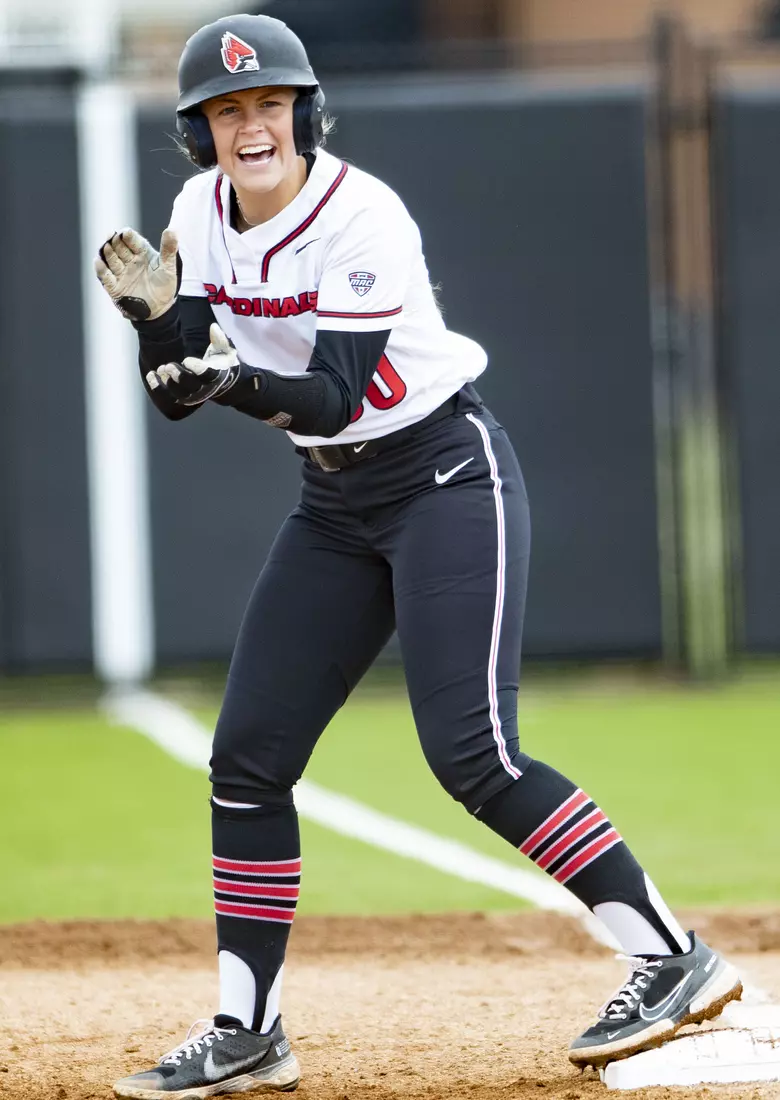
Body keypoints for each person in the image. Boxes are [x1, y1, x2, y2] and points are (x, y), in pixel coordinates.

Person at [96, 14, 742, 1098]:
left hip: (445, 476)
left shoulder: (361, 215)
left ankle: (672, 955)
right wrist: (161, 336)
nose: (250, 125)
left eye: (268, 104)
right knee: (248, 755)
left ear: (303, 112)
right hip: (334, 501)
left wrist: (205, 363)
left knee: (474, 752)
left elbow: (333, 394)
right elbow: (182, 398)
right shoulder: (195, 213)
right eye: (225, 109)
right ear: (199, 130)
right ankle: (247, 1028)